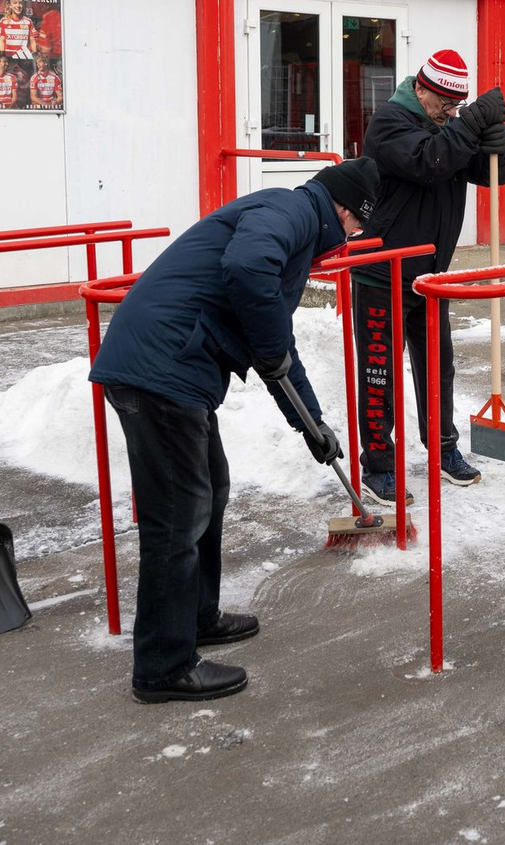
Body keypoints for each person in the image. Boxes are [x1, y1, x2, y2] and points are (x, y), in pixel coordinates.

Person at [89, 157, 379, 703]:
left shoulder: (291, 221)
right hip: (161, 368)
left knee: (210, 488)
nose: (349, 240)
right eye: (356, 228)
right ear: (344, 211)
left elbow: (276, 343)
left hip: (175, 369)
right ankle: (162, 666)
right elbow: (248, 273)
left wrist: (310, 424)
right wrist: (269, 350)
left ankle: (195, 618)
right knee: (179, 514)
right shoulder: (290, 210)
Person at [352, 49, 505, 505]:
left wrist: (497, 141)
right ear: (420, 88)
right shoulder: (390, 123)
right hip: (381, 273)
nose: (449, 113)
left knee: (439, 367)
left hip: (429, 275)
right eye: (443, 103)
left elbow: (493, 175)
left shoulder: (448, 128)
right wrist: (470, 123)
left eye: (456, 106)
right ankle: (379, 465)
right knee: (378, 373)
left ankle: (443, 449)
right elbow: (430, 162)